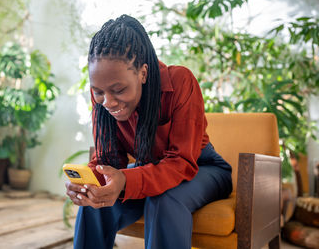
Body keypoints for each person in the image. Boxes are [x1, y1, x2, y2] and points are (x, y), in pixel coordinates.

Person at [65, 14, 233, 249]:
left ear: (143, 73)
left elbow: (182, 161)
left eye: (119, 89)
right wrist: (89, 184)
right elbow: (109, 161)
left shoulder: (180, 82)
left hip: (202, 168)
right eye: (98, 91)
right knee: (95, 205)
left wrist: (125, 179)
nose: (108, 102)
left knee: (165, 199)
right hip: (148, 167)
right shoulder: (104, 100)